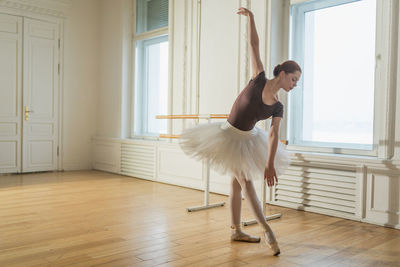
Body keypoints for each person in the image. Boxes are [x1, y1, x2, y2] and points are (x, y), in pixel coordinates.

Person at [179, 7, 301, 256]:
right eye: (294, 79)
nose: (295, 85)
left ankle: (236, 230)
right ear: (283, 73)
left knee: (236, 185)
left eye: (297, 82)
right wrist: (252, 19)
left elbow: (273, 135)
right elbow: (253, 45)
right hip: (227, 136)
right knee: (245, 182)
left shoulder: (278, 105)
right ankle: (267, 230)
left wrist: (269, 164)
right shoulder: (259, 79)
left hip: (248, 140)